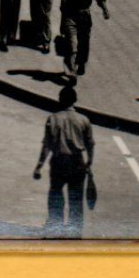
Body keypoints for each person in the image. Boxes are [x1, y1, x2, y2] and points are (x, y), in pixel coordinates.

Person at [33, 85, 95, 238]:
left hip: (59, 161)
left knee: (56, 195)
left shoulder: (53, 118)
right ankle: (75, 232)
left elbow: (47, 145)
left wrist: (39, 166)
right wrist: (89, 162)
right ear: (75, 100)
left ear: (60, 100)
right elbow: (90, 144)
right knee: (76, 198)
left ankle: (55, 228)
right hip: (77, 162)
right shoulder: (83, 120)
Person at [58, 0, 109, 77]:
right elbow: (63, 5)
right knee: (72, 44)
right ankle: (72, 70)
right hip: (71, 16)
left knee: (84, 43)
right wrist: (62, 23)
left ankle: (81, 63)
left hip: (84, 17)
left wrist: (105, 9)